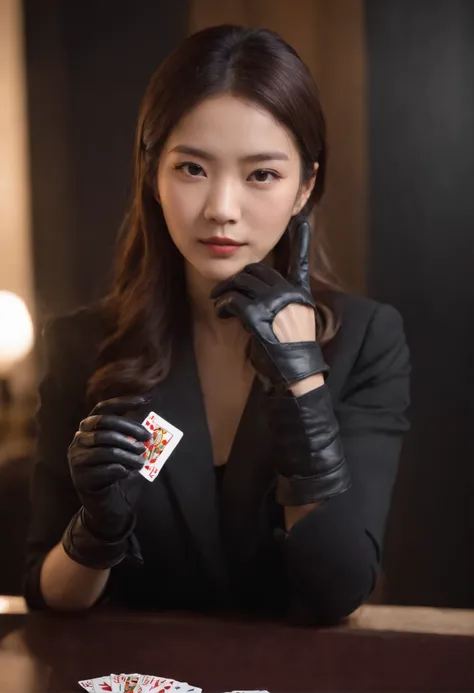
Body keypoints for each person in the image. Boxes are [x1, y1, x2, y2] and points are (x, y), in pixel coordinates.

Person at [24, 25, 410, 624]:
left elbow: (338, 590)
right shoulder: (84, 344)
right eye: (193, 169)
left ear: (305, 186)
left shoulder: (365, 339)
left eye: (262, 175)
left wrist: (301, 384)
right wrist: (97, 529)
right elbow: (49, 595)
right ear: (153, 173)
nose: (222, 209)